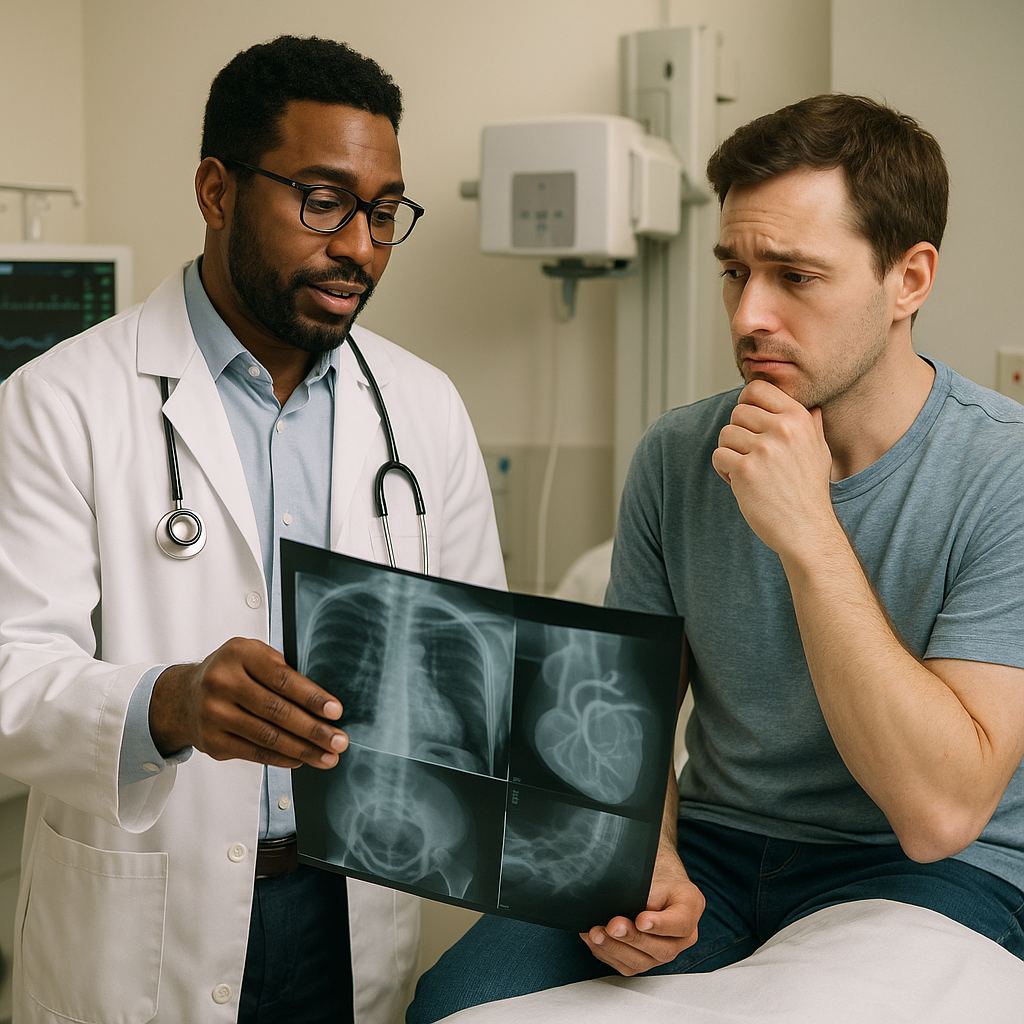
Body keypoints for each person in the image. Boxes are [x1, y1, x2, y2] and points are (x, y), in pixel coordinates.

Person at [407, 93, 1024, 1022]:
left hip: (929, 872)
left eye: (795, 276)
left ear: (910, 279)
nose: (749, 315)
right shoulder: (675, 454)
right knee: (457, 1005)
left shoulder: (1002, 471)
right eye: (734, 271)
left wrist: (809, 531)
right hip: (715, 845)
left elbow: (940, 815)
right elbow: (629, 722)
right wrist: (646, 861)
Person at [0, 35, 504, 1024]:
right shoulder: (59, 402)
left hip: (349, 907)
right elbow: (8, 675)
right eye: (321, 200)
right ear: (216, 189)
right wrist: (167, 704)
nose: (360, 245)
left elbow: (467, 674)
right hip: (146, 919)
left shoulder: (424, 408)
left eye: (383, 211)